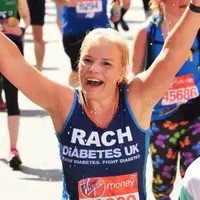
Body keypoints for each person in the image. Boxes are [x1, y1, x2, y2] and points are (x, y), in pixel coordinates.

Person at [0, 1, 200, 198]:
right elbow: (14, 63)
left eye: (106, 63)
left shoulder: (136, 100)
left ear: (121, 71)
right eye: (87, 60)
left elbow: (171, 53)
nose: (94, 68)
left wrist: (196, 7)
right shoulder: (65, 103)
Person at [132, 0, 200, 199]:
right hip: (161, 121)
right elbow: (133, 77)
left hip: (195, 119)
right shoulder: (147, 33)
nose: (182, 1)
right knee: (162, 185)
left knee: (194, 178)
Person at [53, 0, 120, 87]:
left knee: (105, 68)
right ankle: (75, 98)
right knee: (77, 70)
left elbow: (116, 2)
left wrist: (116, 9)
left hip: (101, 32)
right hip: (75, 32)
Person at [0, 0, 30, 170]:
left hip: (11, 49)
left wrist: (22, 29)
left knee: (12, 99)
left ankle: (13, 148)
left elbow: (26, 17)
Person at [27, 0, 45, 71]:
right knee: (18, 34)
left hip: (36, 2)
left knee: (38, 36)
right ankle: (18, 67)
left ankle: (39, 69)